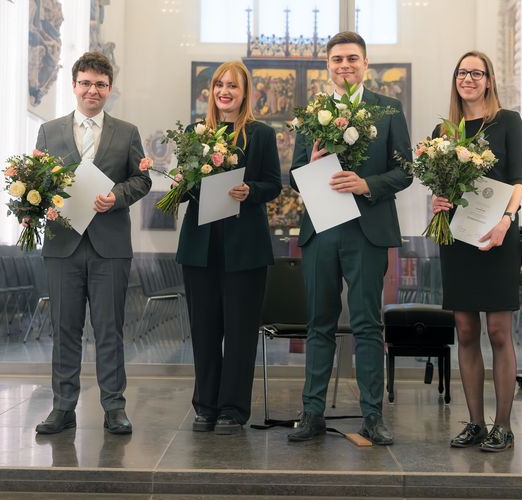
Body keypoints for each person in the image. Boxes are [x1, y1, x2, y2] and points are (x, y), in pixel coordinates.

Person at [288, 32, 412, 446]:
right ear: (328, 64)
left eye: (352, 59)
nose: (344, 65)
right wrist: (311, 162)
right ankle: (312, 413)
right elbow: (293, 177)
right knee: (318, 324)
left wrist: (365, 184)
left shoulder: (388, 110)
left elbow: (406, 171)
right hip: (322, 229)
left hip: (367, 229)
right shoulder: (311, 112)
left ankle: (373, 416)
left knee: (367, 326)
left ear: (365, 64)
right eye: (337, 59)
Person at [34, 52, 152, 434]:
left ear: (109, 89)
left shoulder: (127, 131)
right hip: (63, 245)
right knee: (64, 328)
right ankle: (63, 407)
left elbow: (142, 180)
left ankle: (114, 407)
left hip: (109, 245)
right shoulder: (49, 131)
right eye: (85, 82)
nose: (92, 90)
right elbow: (38, 181)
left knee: (109, 328)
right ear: (74, 85)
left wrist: (115, 196)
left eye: (100, 84)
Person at [176, 61, 281, 434]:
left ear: (245, 92)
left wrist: (250, 191)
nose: (225, 91)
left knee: (239, 332)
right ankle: (205, 405)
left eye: (233, 86)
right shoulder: (194, 133)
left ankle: (233, 409)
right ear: (210, 91)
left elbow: (273, 184)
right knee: (204, 330)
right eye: (219, 84)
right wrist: (181, 181)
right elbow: (187, 190)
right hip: (200, 246)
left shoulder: (261, 134)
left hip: (245, 248)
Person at [431, 50, 522, 452]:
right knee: (466, 331)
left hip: (498, 236)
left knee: (499, 331)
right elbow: (441, 186)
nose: (468, 78)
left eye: (476, 72)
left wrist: (506, 220)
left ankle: (502, 425)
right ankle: (474, 422)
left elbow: (519, 179)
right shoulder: (443, 131)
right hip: (459, 239)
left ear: (488, 79)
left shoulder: (507, 121)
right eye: (462, 72)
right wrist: (436, 201)